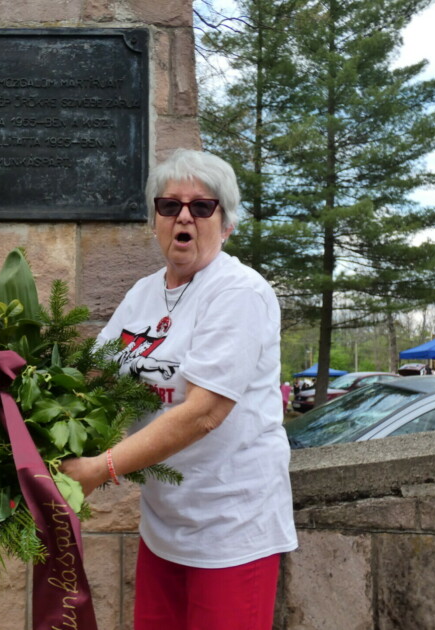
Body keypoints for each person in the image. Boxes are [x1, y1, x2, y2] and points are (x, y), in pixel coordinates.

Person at [61, 149, 297, 630]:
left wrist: (99, 470)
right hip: (165, 527)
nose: (183, 216)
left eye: (201, 206)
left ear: (226, 223)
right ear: (155, 221)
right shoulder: (143, 293)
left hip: (232, 529)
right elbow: (96, 379)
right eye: (169, 206)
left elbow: (203, 413)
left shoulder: (239, 292)